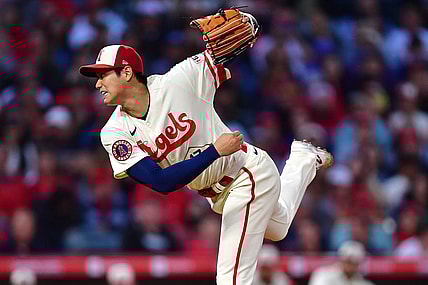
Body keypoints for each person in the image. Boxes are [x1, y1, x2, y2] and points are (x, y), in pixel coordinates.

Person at [79, 9, 333, 285]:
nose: (99, 84)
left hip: (247, 173)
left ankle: (302, 159)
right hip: (216, 192)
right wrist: (214, 151)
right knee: (279, 228)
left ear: (127, 72)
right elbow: (161, 182)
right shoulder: (114, 133)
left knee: (230, 278)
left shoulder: (179, 80)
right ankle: (303, 159)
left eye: (103, 75)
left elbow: (221, 51)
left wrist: (247, 24)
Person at [308, 240, 375, 285]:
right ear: (341, 259)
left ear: (359, 263)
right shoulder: (322, 275)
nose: (350, 265)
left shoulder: (362, 283)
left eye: (354, 262)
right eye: (348, 260)